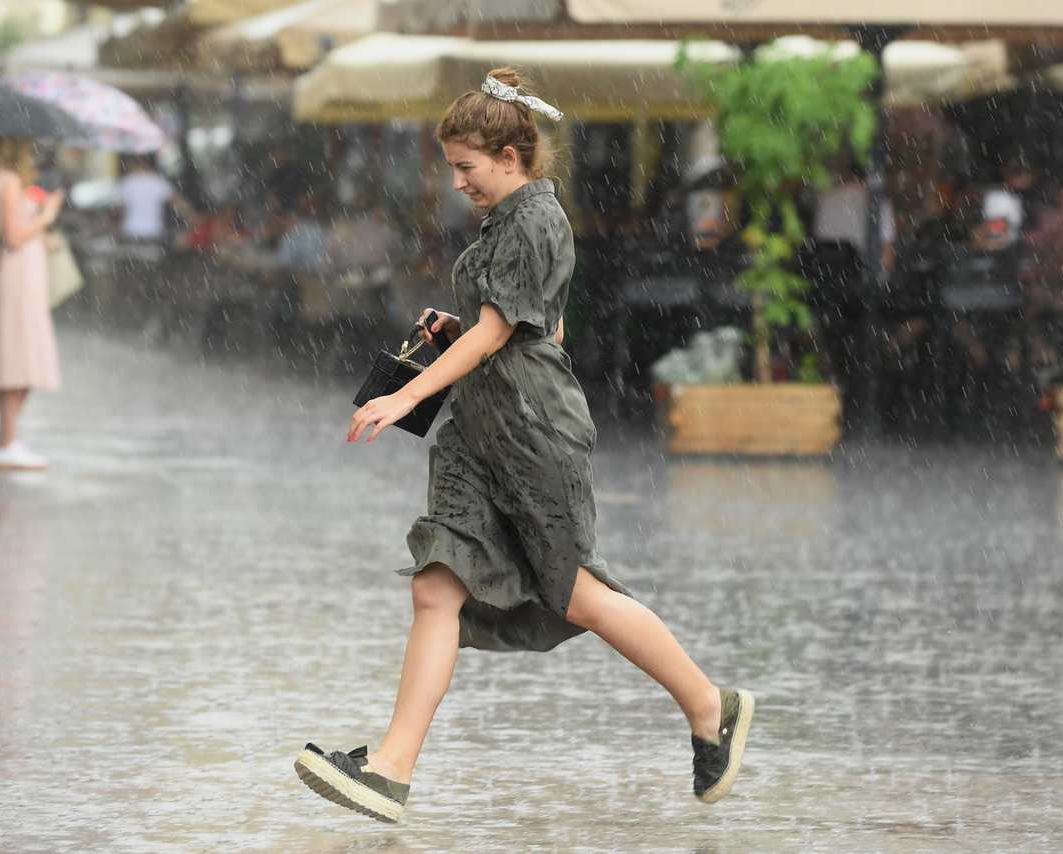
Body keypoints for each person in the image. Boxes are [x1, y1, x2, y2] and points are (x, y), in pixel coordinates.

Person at [293, 68, 753, 824]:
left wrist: (408, 392)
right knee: (436, 584)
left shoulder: (536, 221)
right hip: (480, 432)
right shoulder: (510, 223)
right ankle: (388, 769)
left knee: (576, 592)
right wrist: (461, 328)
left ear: (510, 157)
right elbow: (543, 326)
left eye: (465, 167)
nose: (457, 182)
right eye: (454, 168)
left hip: (533, 431)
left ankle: (712, 706)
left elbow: (504, 332)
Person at [0, 136, 65, 471]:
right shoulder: (9, 181)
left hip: (15, 277)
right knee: (19, 359)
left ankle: (7, 438)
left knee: (15, 357)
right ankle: (7, 441)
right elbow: (14, 236)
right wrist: (46, 215)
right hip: (19, 279)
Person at [115, 155, 190, 242]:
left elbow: (119, 209)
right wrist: (193, 220)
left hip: (130, 230)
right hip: (154, 231)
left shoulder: (126, 183)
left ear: (132, 164)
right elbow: (179, 202)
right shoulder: (158, 181)